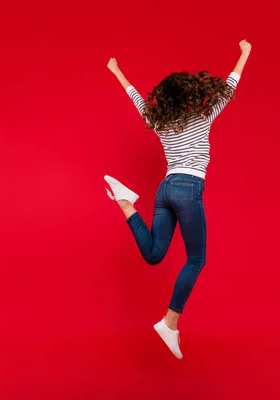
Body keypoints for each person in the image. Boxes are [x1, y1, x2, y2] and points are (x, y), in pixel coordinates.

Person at [104, 40, 252, 359]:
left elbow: (135, 99)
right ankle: (170, 322)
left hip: (165, 188)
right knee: (197, 259)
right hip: (187, 188)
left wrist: (116, 70)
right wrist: (244, 54)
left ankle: (128, 205)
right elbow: (229, 85)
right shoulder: (204, 116)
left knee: (156, 254)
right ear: (189, 96)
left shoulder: (160, 123)